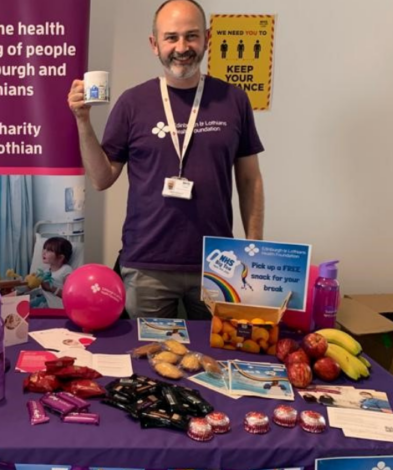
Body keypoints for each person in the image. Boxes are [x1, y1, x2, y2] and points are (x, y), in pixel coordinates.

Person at [67, 0, 265, 319]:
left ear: (207, 38)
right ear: (154, 44)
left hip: (218, 263)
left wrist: (255, 250)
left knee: (215, 362)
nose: (182, 47)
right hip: (147, 266)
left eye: (191, 36)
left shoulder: (233, 100)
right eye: (171, 37)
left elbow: (249, 179)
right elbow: (101, 178)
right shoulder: (132, 103)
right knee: (147, 361)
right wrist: (82, 120)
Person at [25, 237, 74, 308]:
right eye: (44, 249)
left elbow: (70, 295)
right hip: (45, 301)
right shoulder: (45, 271)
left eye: (49, 250)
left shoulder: (65, 270)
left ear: (60, 257)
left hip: (57, 307)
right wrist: (30, 284)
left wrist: (50, 288)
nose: (44, 252)